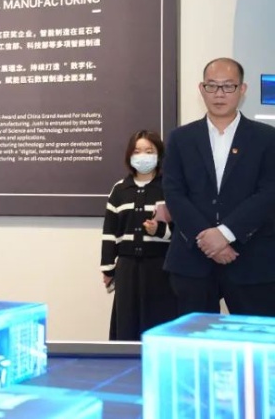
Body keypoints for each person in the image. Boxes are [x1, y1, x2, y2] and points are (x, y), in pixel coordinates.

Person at [163, 57, 275, 317]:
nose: (219, 94)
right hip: (192, 260)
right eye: (212, 86)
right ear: (201, 89)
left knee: (254, 338)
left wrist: (225, 233)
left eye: (228, 86)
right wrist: (206, 237)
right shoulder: (180, 138)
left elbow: (269, 192)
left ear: (242, 89)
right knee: (194, 338)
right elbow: (173, 192)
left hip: (252, 259)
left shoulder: (267, 138)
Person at [100, 130, 177, 340]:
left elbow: (181, 230)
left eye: (149, 151)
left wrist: (158, 230)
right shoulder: (119, 189)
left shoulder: (169, 188)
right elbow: (110, 231)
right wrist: (108, 267)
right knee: (127, 321)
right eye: (137, 151)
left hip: (160, 267)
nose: (143, 156)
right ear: (130, 155)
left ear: (159, 155)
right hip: (127, 267)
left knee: (159, 320)